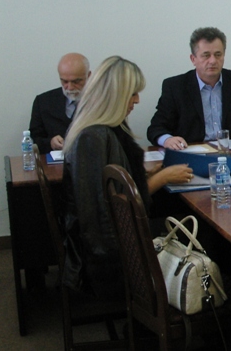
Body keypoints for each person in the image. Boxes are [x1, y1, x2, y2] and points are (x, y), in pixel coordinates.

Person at [62, 56, 193, 297]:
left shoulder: (108, 129)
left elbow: (116, 184)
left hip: (119, 235)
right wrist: (162, 177)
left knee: (185, 216)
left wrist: (146, 174)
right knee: (194, 229)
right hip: (109, 252)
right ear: (116, 95)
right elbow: (112, 206)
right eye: (133, 94)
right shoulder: (92, 137)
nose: (137, 100)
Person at [147, 27, 231, 149]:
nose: (213, 61)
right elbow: (156, 127)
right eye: (206, 55)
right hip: (193, 152)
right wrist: (167, 140)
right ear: (193, 59)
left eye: (218, 55)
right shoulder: (175, 87)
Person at [29, 53, 91, 153]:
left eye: (76, 82)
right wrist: (50, 142)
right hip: (53, 160)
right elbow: (34, 138)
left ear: (89, 76)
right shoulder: (43, 102)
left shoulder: (102, 102)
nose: (70, 87)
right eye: (65, 81)